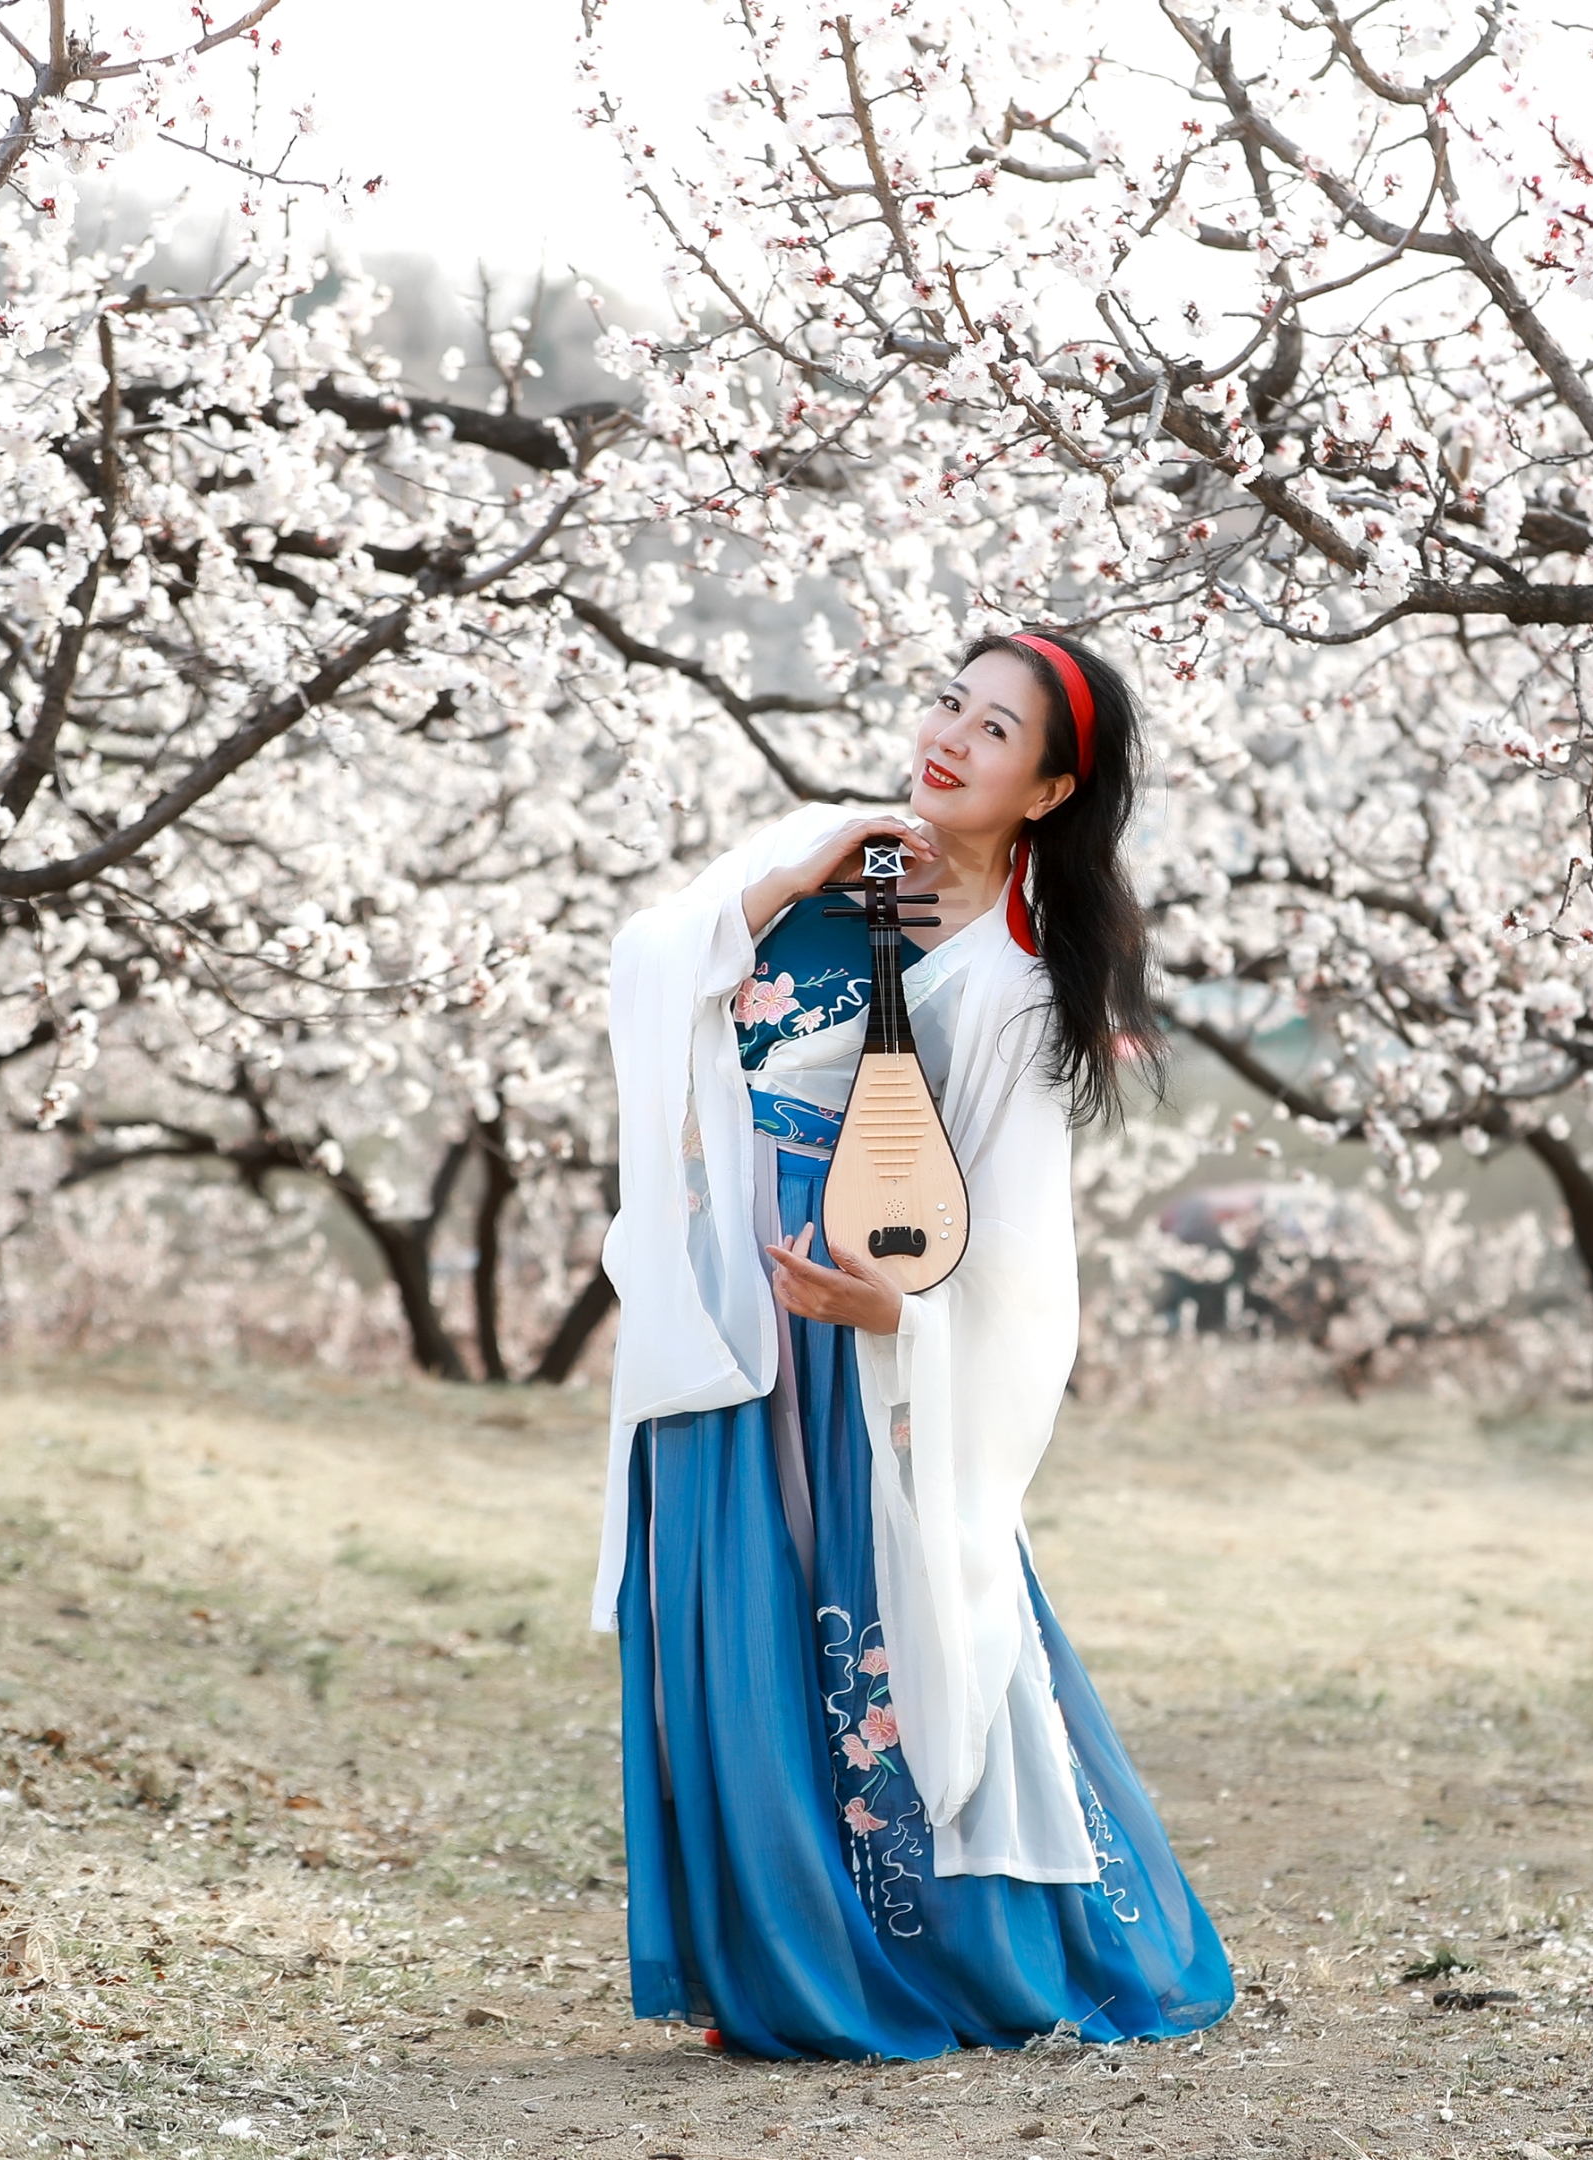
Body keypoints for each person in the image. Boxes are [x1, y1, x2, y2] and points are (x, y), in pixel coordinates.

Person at [593, 629, 1233, 2059]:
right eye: (950, 701)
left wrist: (901, 1319)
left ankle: (913, 1959)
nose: (948, 736)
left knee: (859, 1614)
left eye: (993, 731)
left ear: (1051, 792)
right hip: (729, 1297)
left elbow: (1014, 1244)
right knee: (723, 1610)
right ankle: (765, 1958)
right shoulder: (829, 846)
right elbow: (649, 965)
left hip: (854, 1332)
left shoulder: (1010, 983)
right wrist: (787, 881)